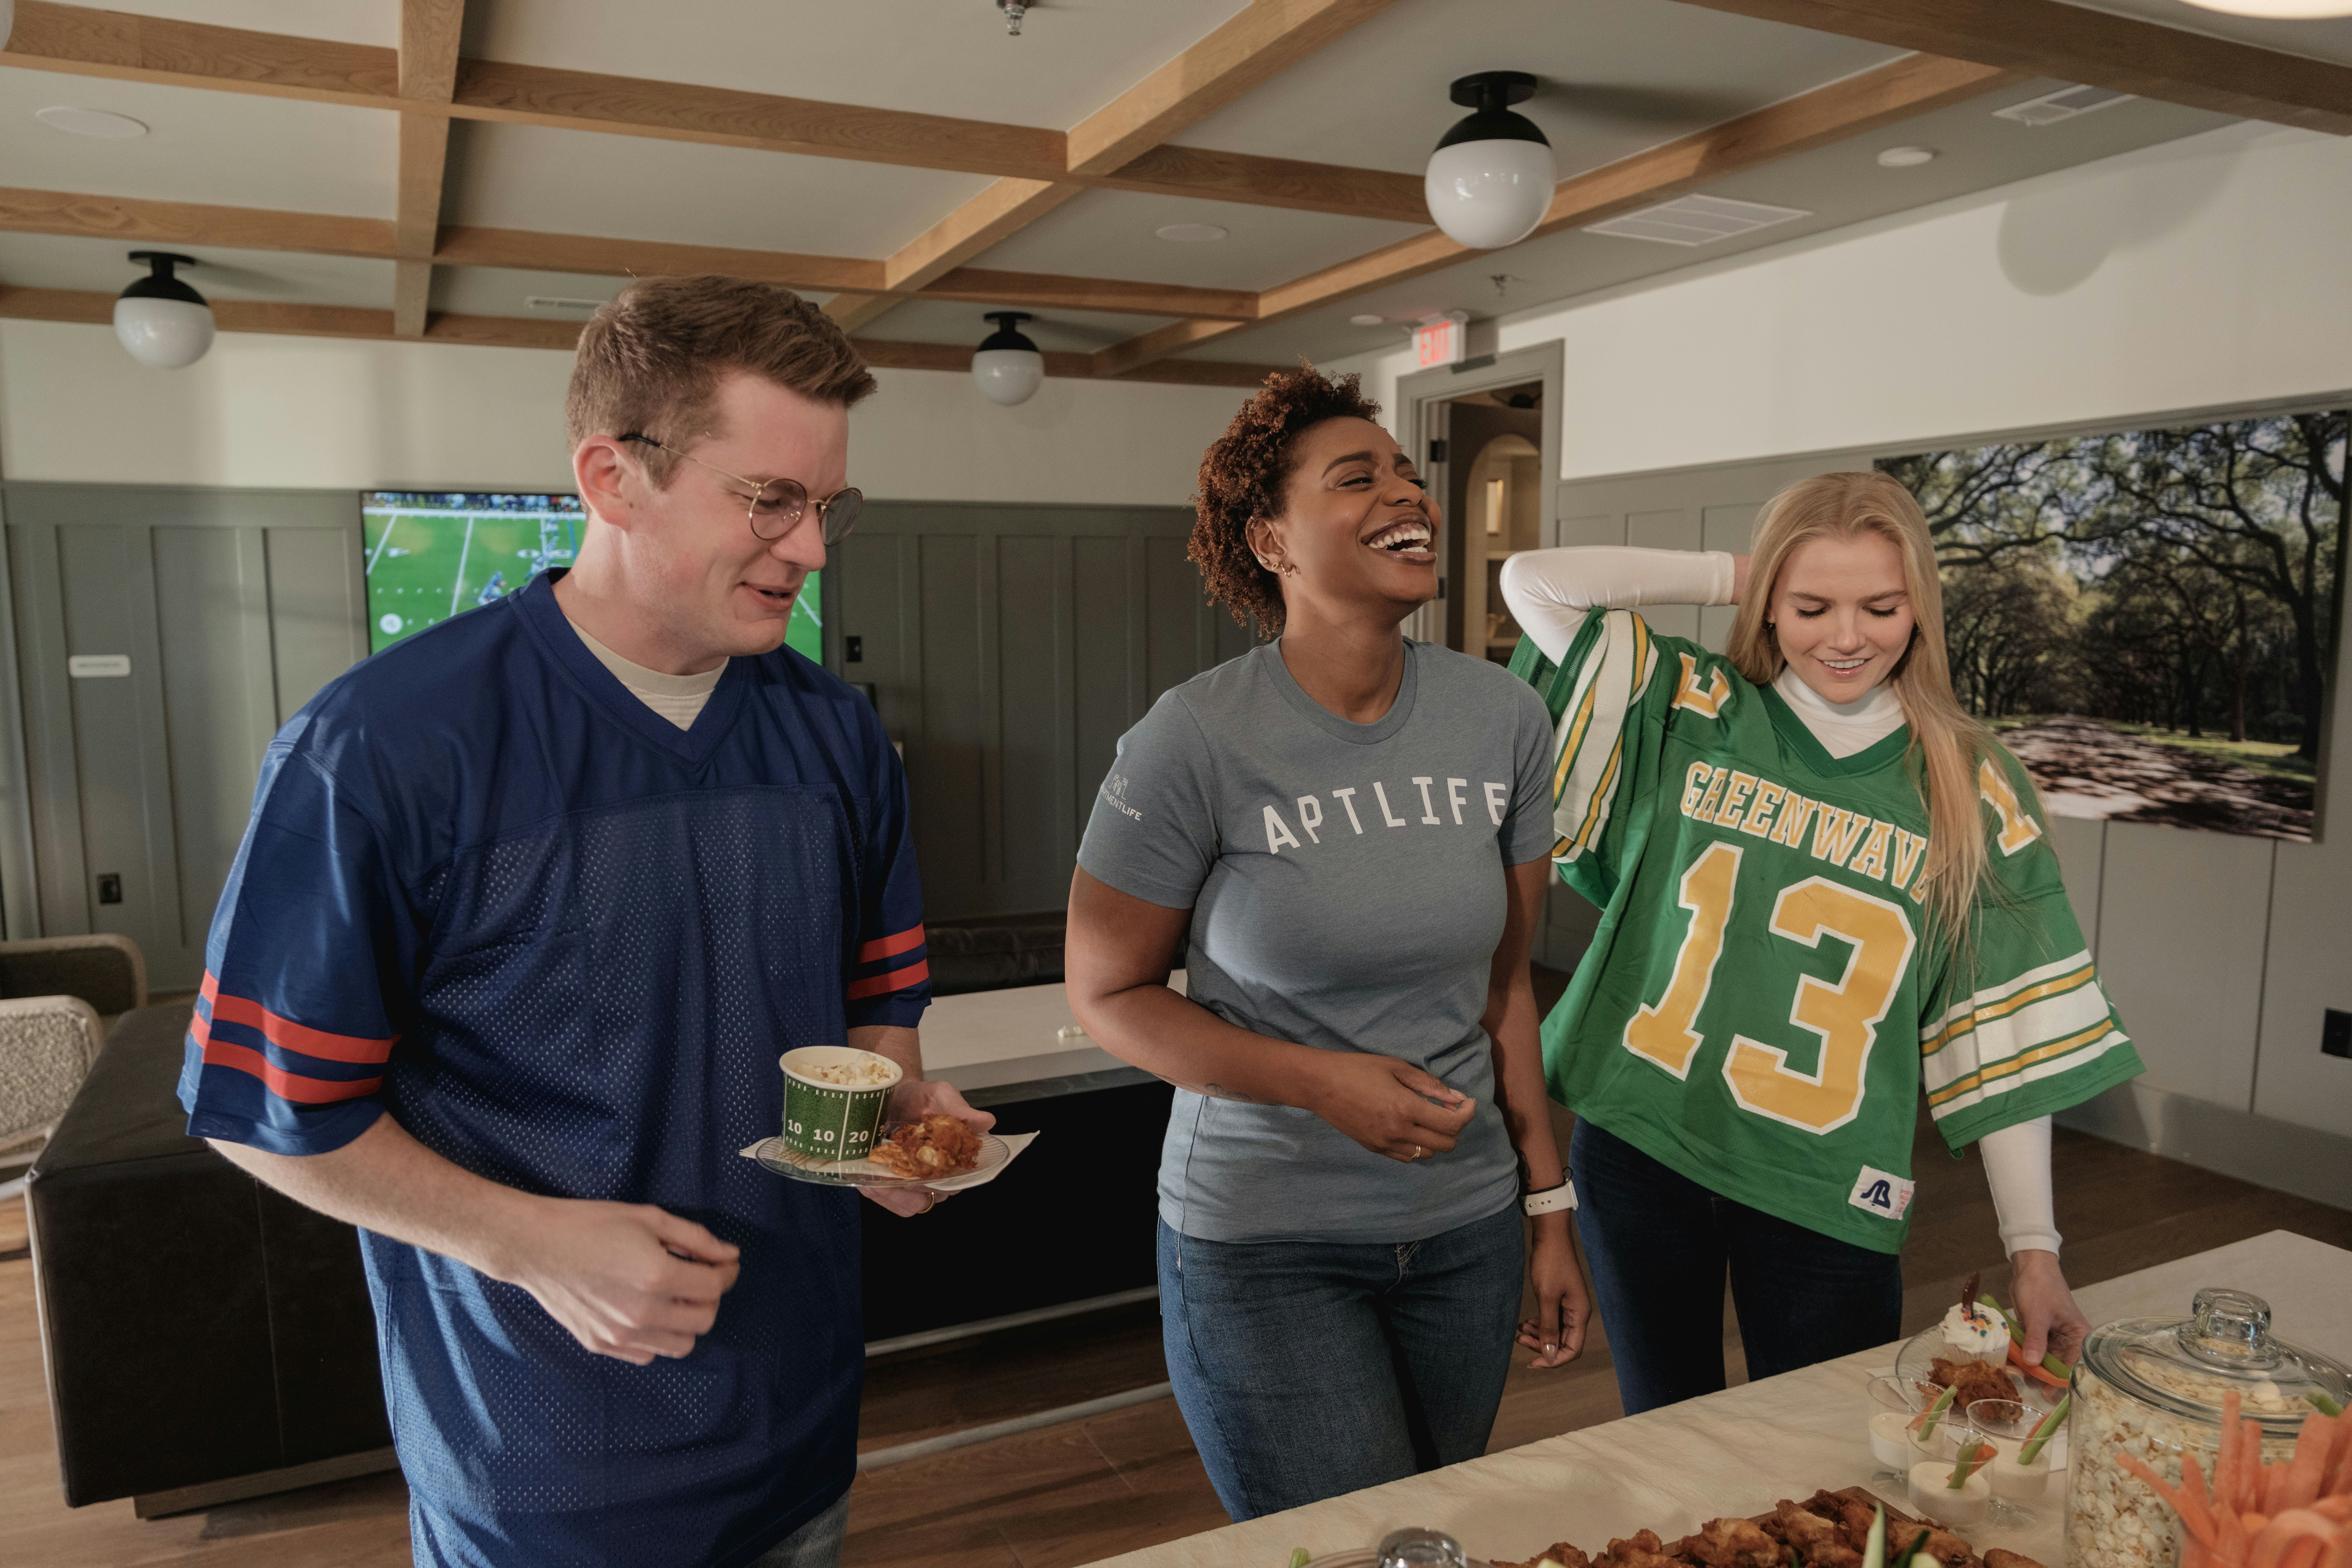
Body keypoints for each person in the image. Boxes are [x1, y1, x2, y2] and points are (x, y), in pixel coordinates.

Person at [178, 275, 991, 1568]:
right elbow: (260, 1110)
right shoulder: (378, 749)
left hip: (803, 1433)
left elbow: (873, 1005)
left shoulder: (836, 735)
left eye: (829, 506)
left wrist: (898, 1118)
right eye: (769, 500)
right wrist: (529, 1240)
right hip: (539, 1476)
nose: (815, 550)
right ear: (614, 478)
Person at [1499, 471, 2142, 1416]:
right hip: (1643, 1145)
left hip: (1826, 1183)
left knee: (1818, 1450)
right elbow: (1536, 582)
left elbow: (2001, 1038)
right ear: (1768, 604)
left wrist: (2034, 1251)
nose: (1847, 636)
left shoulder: (1971, 784)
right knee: (1664, 1430)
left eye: (1881, 605)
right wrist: (1738, 572)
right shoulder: (1693, 703)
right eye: (1810, 604)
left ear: (1921, 606)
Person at [1065, 367, 1591, 1523]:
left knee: (1431, 1535)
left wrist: (1548, 1208)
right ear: (1270, 539)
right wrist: (1318, 1085)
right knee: (1346, 1551)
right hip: (1267, 1245)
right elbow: (1107, 992)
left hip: (1466, 1235)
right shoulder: (1192, 738)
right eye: (1358, 477)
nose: (1406, 493)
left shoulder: (1502, 716)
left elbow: (1507, 988)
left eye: (1407, 471)